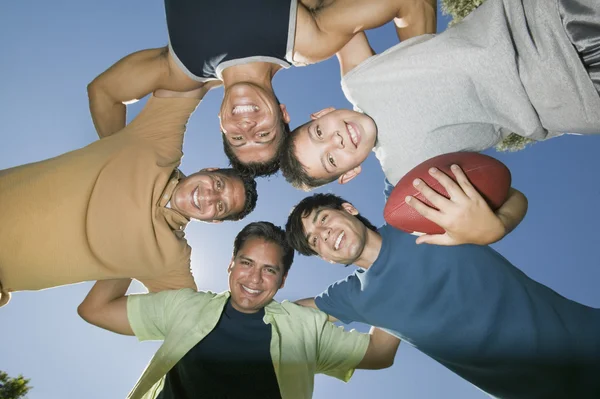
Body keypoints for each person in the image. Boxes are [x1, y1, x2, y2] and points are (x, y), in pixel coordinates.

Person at [285, 193, 600, 398]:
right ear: (327, 258)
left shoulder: (416, 216)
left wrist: (497, 226)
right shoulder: (352, 297)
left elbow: (512, 197)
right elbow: (281, 320)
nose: (324, 234)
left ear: (349, 209)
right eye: (314, 241)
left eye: (323, 219)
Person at [88, 0, 437, 176]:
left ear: (222, 123)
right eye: (264, 135)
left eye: (238, 138)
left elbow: (103, 92)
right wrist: (418, 90)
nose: (248, 128)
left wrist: (124, 166)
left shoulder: (182, 69)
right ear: (284, 114)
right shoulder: (306, 41)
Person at [280, 0, 600, 189]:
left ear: (321, 113)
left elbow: (318, 20)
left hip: (545, 13)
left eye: (319, 132)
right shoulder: (406, 172)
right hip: (578, 94)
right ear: (350, 173)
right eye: (331, 159)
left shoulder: (356, 79)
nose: (335, 140)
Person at [78, 221, 401, 399]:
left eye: (269, 270)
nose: (255, 278)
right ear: (231, 265)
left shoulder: (301, 327)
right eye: (246, 263)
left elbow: (378, 353)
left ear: (282, 280)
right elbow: (96, 310)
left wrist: (397, 281)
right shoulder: (186, 306)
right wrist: (138, 249)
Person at [0, 86, 258, 307]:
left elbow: (192, 321)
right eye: (218, 184)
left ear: (215, 221)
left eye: (221, 206)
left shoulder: (169, 261)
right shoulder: (155, 144)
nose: (210, 198)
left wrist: (130, 263)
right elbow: (189, 74)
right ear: (209, 170)